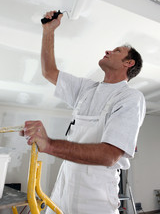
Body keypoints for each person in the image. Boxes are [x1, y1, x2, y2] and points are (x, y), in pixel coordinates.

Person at [23, 11, 146, 214]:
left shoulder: (130, 98)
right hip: (63, 190)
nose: (108, 50)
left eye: (116, 51)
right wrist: (48, 31)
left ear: (128, 63)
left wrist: (50, 144)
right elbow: (49, 72)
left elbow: (109, 155)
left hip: (95, 200)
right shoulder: (86, 89)